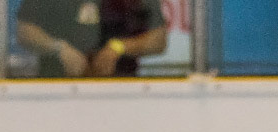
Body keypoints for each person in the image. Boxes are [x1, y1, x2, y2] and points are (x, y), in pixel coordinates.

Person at [15, 0, 167, 78]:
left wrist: (119, 48)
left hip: (119, 92)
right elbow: (25, 31)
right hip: (57, 90)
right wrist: (59, 49)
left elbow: (158, 39)